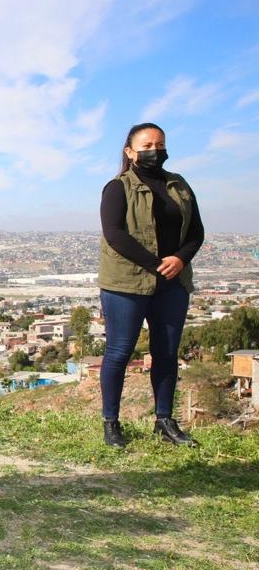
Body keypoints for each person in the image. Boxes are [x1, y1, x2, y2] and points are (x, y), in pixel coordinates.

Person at [97, 122, 204, 449]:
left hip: (173, 282)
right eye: (146, 145)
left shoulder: (179, 185)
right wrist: (157, 264)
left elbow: (196, 231)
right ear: (130, 152)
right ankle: (111, 423)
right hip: (126, 283)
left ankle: (165, 421)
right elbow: (115, 234)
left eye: (159, 144)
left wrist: (180, 260)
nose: (154, 150)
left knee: (167, 353)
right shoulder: (117, 187)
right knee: (119, 351)